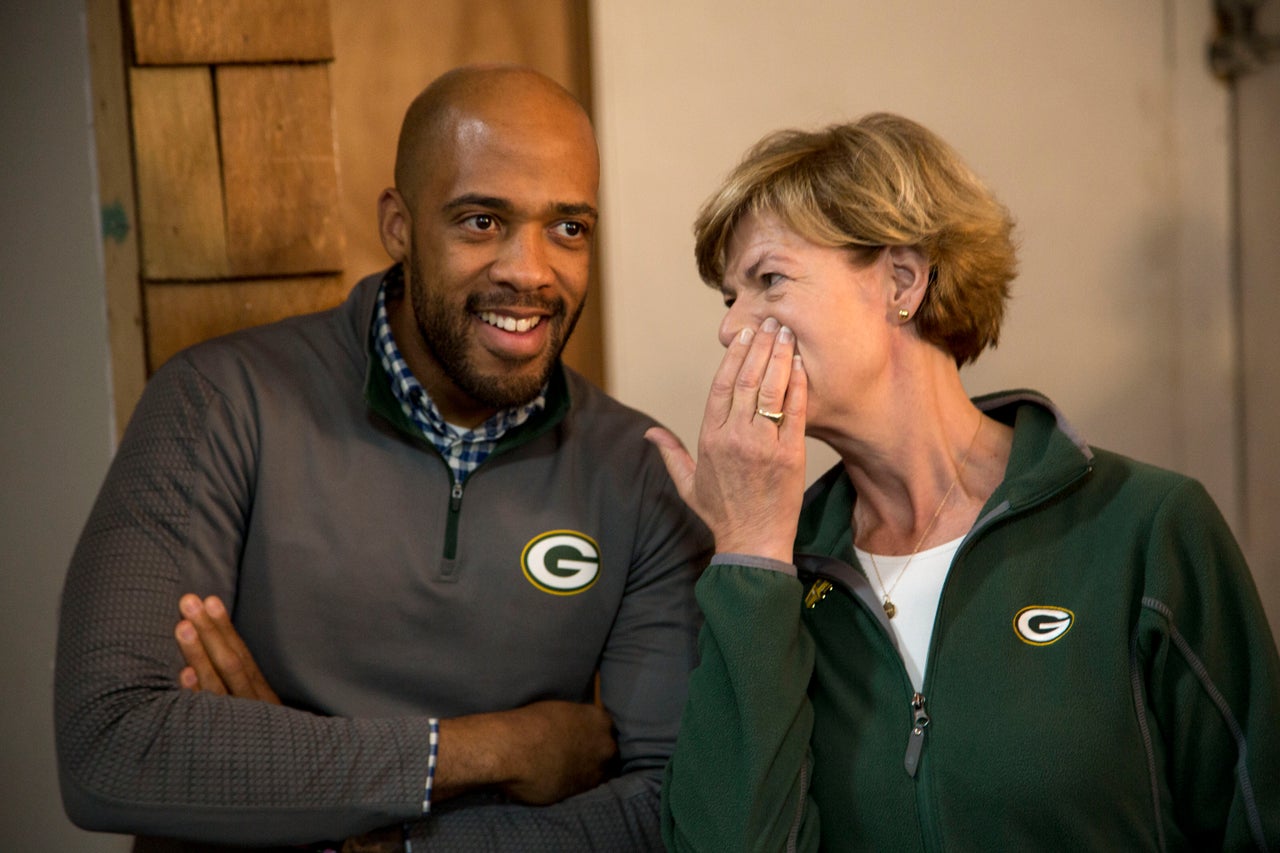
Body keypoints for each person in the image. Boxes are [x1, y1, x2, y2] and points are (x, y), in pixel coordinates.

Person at [54, 65, 709, 852]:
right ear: (398, 226)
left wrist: (362, 831)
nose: (531, 271)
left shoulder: (639, 471)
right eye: (481, 221)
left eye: (567, 227)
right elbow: (112, 742)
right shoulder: (217, 402)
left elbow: (669, 810)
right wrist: (486, 749)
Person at [646, 113, 1280, 851]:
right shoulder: (777, 575)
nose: (733, 328)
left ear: (903, 282)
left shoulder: (1146, 525)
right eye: (730, 299)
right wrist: (749, 555)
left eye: (769, 280)